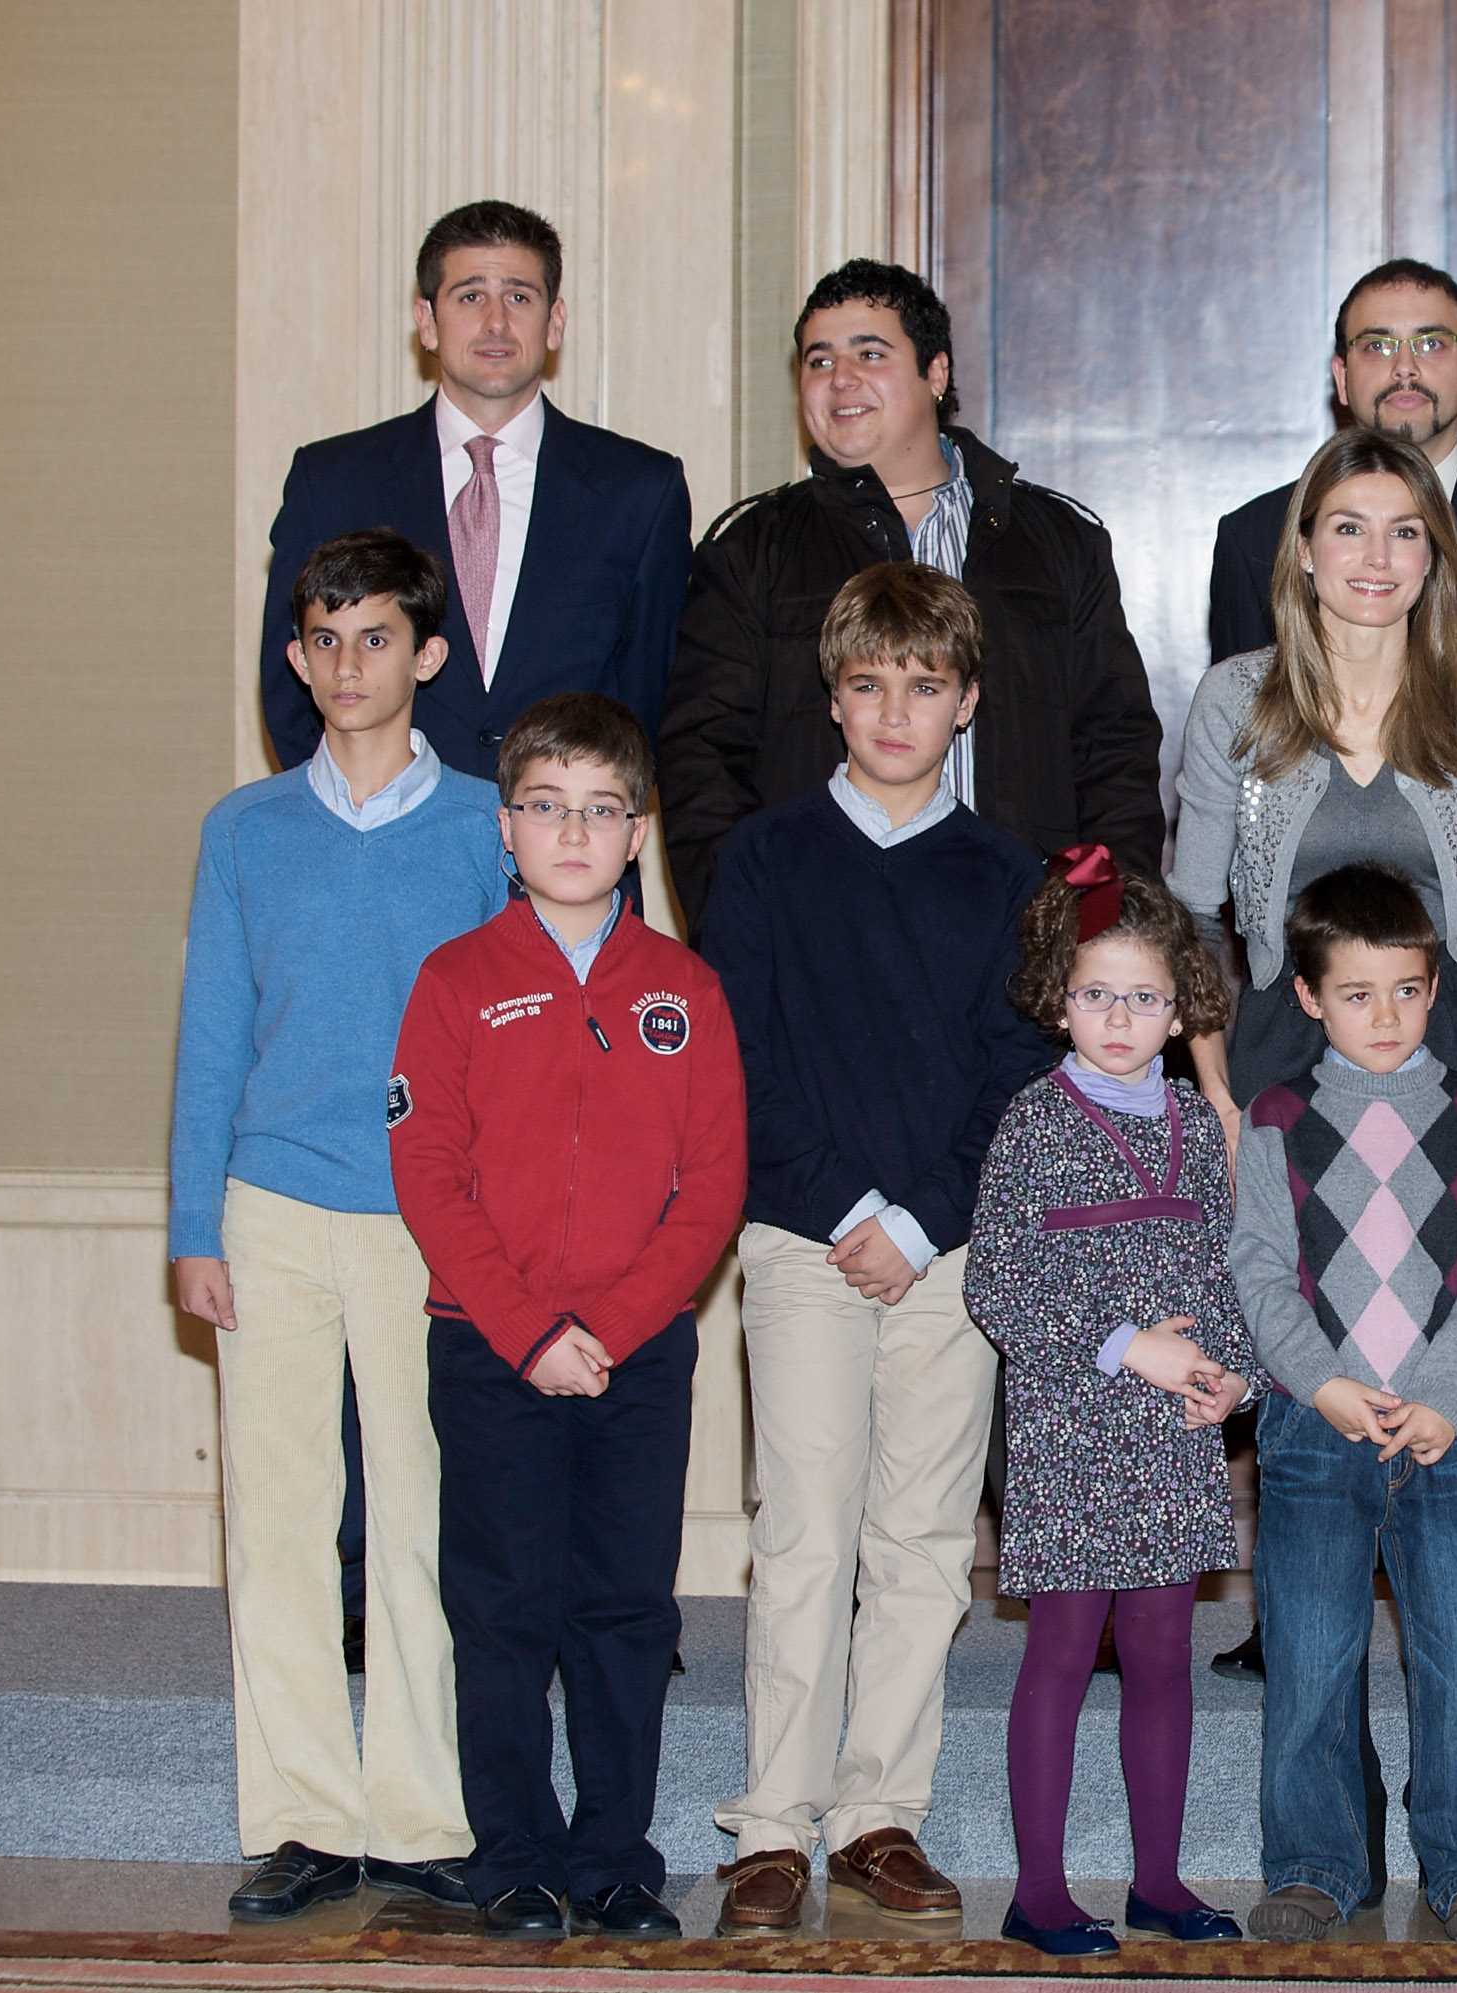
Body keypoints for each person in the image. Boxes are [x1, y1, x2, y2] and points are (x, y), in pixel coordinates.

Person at [1171, 423, 1457, 1847]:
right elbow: (1190, 916)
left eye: (1405, 531)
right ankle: (1320, 1800)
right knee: (1307, 1399)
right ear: (1304, 550)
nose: (1376, 558)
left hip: (1454, 1072)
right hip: (1285, 1074)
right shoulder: (1237, 699)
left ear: (1436, 555)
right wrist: (1216, 1094)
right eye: (1349, 527)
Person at [695, 564, 1051, 1938]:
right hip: (802, 1239)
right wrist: (849, 1211)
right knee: (805, 1527)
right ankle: (772, 1824)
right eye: (868, 684)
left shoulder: (1006, 873)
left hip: (949, 1250)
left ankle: (876, 1813)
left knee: (923, 1537)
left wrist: (918, 1220)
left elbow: (1015, 1071)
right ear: (832, 698)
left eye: (923, 685)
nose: (895, 710)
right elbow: (741, 1063)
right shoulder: (765, 858)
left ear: (966, 701)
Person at [172, 531, 508, 1924]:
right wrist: (195, 1224)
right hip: (270, 1206)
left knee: (428, 1517)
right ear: (297, 658)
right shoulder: (245, 829)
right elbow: (212, 1034)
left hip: (429, 1218)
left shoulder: (487, 825)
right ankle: (303, 1814)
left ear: (425, 655)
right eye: (325, 639)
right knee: (280, 1517)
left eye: (377, 637)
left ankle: (422, 1812)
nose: (350, 663)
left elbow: (515, 1043)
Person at [388, 693, 746, 1939]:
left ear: (639, 832)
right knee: (502, 1609)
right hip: (489, 1348)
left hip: (638, 1359)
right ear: (506, 828)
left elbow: (713, 1185)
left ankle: (611, 1856)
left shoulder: (685, 988)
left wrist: (619, 1322)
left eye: (602, 810)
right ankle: (515, 1854)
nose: (575, 832)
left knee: (625, 1610)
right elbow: (428, 1174)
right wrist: (530, 1329)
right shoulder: (455, 981)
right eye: (547, 807)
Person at [659, 259, 1161, 927]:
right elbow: (700, 764)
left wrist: (1100, 932)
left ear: (936, 372)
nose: (840, 379)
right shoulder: (752, 550)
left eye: (869, 354)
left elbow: (1116, 752)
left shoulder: (1058, 542)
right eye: (818, 360)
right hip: (825, 941)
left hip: (1024, 940)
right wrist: (752, 934)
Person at [1231, 864, 1457, 1944]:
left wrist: (1447, 1396)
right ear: (1309, 996)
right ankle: (1315, 1863)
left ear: (1434, 984)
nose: (1387, 1015)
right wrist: (1319, 1382)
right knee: (1312, 1655)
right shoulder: (1275, 1118)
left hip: (1446, 1429)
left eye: (1407, 990)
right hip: (1314, 1426)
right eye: (1357, 994)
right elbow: (1259, 1270)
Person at [961, 854, 1255, 1957]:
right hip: (1070, 1432)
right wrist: (1131, 1347)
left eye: (1142, 997)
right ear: (1059, 1000)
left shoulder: (1196, 1123)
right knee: (1062, 1654)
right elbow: (999, 1279)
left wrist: (1231, 1374)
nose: (1119, 1018)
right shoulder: (1033, 1123)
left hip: (1174, 1440)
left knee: (1165, 1656)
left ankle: (1159, 1880)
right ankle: (1038, 1890)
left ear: (1180, 1010)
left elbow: (1226, 1271)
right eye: (1096, 994)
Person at [260, 203, 691, 778]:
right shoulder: (332, 482)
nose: (496, 322)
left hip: (567, 829)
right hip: (382, 827)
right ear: (427, 322)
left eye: (519, 297)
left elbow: (651, 698)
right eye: (470, 296)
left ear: (554, 321)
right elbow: (292, 689)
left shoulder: (640, 491)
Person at [1209, 258, 1457, 673]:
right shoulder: (1254, 539)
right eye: (1377, 346)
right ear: (1341, 378)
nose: (1405, 367)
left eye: (1432, 343)